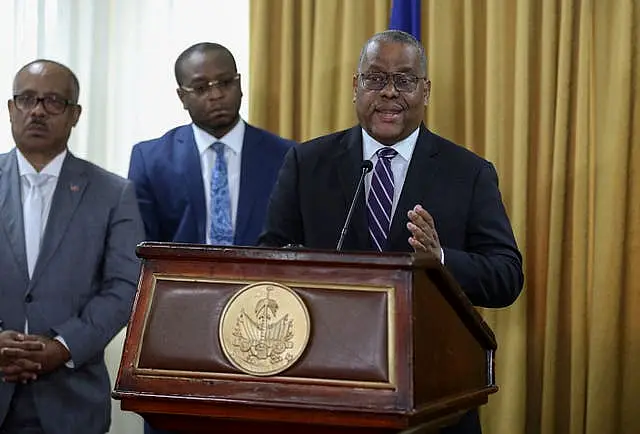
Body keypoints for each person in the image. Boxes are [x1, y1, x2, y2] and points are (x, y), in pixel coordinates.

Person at [259, 30, 524, 434]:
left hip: (434, 396)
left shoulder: (468, 173)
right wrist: (297, 266)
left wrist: (440, 259)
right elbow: (267, 258)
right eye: (375, 78)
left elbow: (506, 277)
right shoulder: (307, 163)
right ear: (355, 86)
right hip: (326, 388)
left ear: (426, 90)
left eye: (404, 80)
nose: (388, 93)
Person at [0, 60, 144, 434]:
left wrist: (64, 346)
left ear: (75, 114)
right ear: (10, 108)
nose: (37, 110)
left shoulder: (114, 194)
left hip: (72, 400)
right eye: (26, 99)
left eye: (53, 101)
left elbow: (125, 286)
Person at [128, 42, 295, 247]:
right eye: (200, 88)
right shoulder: (150, 159)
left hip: (262, 278)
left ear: (240, 84)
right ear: (182, 97)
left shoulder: (285, 156)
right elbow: (139, 243)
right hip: (178, 277)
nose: (216, 95)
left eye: (225, 83)